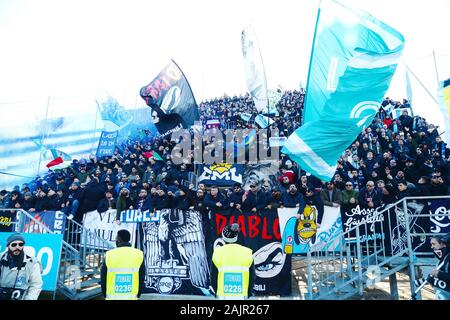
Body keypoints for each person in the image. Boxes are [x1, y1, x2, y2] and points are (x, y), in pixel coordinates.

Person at [211, 223, 255, 299]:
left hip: (222, 296)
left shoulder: (218, 253)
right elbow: (252, 277)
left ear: (223, 237)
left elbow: (213, 276)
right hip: (241, 296)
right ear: (236, 236)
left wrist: (216, 292)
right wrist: (248, 293)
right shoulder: (247, 253)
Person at [100, 229, 145, 300]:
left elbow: (103, 277)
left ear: (118, 239)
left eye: (116, 238)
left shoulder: (109, 255)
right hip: (131, 297)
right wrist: (138, 294)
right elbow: (141, 276)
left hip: (112, 297)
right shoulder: (139, 254)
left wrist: (105, 294)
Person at [0, 233, 43, 300]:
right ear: (8, 246)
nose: (17, 247)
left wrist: (29, 298)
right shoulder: (1, 258)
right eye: (14, 245)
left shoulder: (32, 263)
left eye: (20, 244)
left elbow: (36, 285)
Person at [415, 234, 450, 300]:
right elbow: (435, 277)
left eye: (434, 244)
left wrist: (439, 274)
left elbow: (441, 275)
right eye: (431, 244)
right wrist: (418, 282)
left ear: (443, 244)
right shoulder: (441, 261)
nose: (432, 247)